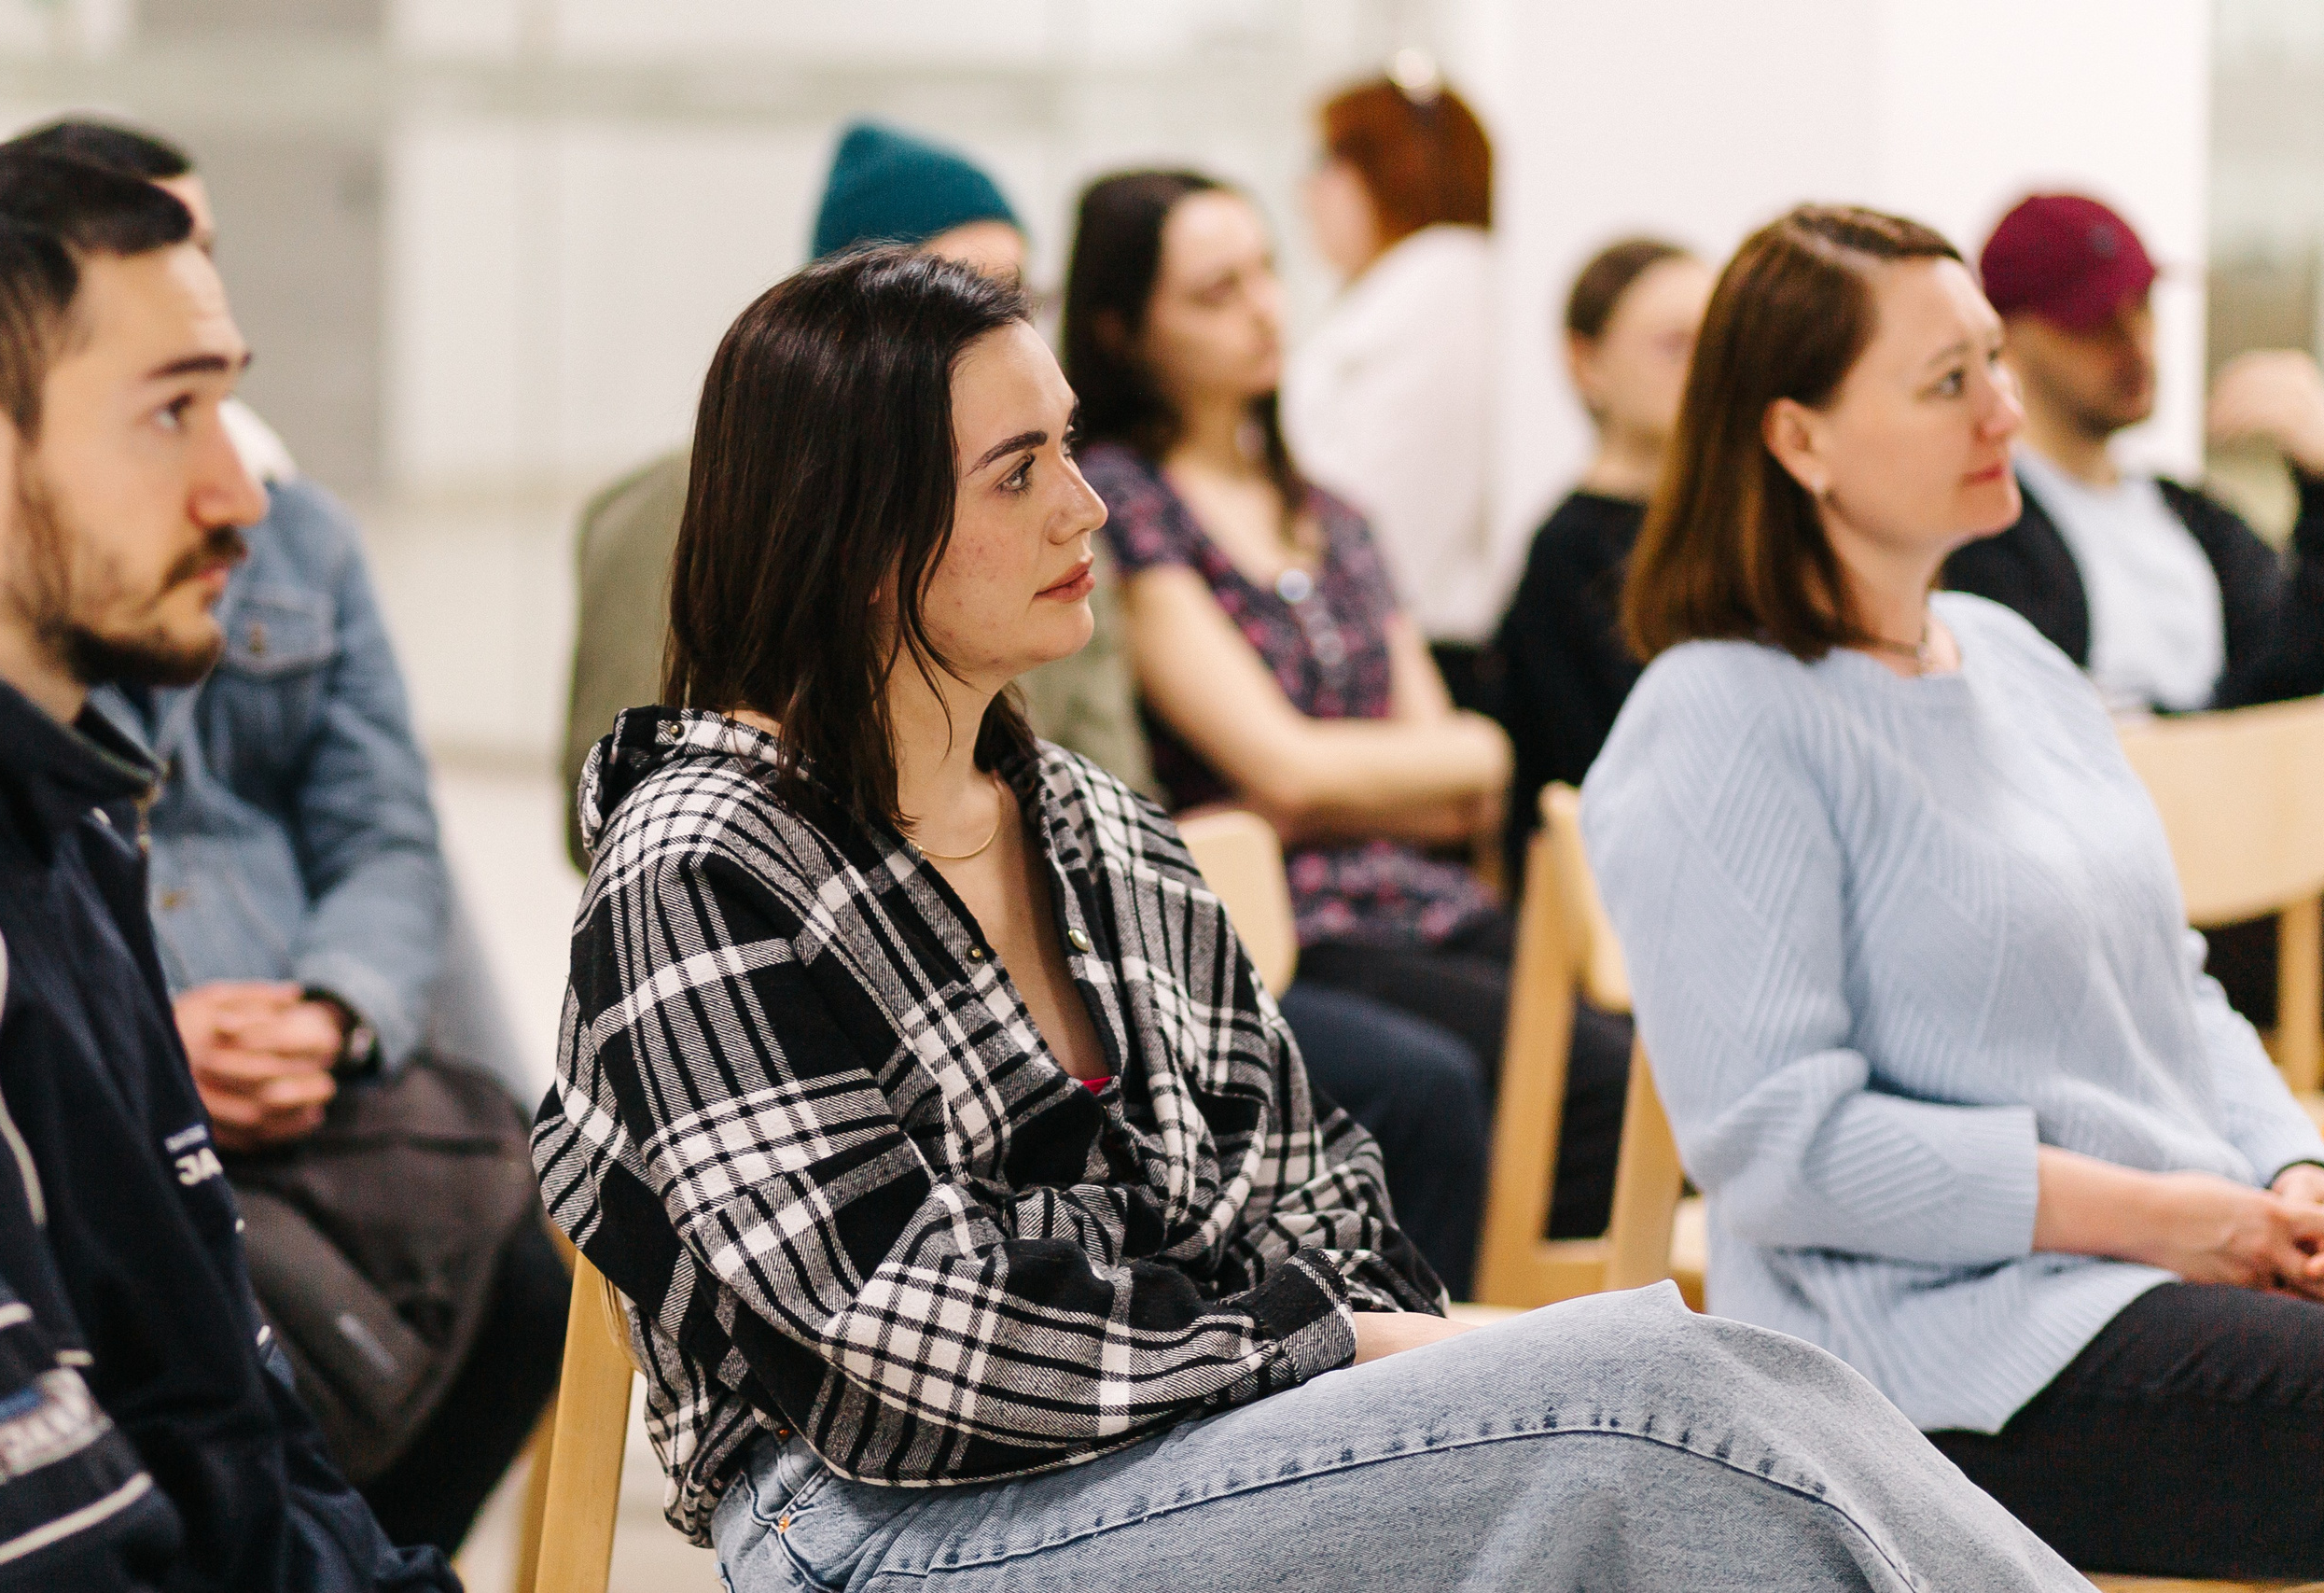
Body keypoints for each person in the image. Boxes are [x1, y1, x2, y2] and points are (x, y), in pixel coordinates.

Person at [535, 242, 2092, 1593]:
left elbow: (1319, 1190)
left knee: (1726, 1378)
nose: (1088, 506)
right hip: (884, 1527)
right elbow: (910, 1334)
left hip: (1182, 1442)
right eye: (1019, 472)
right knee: (1642, 1418)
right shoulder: (702, 861)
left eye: (1069, 447)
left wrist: (1370, 1360)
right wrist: (1328, 1347)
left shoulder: (1091, 827)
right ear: (861, 542)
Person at [1584, 203, 2324, 1580]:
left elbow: (2174, 989)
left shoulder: (2011, 657)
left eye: (1994, 360)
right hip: (1930, 1362)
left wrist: (2290, 1171)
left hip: (2165, 1264)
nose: (2004, 409)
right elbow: (1784, 1149)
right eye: (1947, 382)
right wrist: (2180, 1218)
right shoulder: (1723, 715)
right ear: (1798, 438)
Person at [7, 119, 567, 1557]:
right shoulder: (19, 594)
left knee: (533, 1245)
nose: (189, 286)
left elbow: (387, 831)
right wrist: (158, 1040)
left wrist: (333, 1012)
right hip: (142, 1057)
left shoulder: (299, 537)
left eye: (198, 248)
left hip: (308, 1056)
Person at [0, 141, 454, 1590]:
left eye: (226, 399)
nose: (241, 492)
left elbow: (244, 1441)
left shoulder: (71, 828)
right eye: (173, 411)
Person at [1065, 167, 1631, 1272]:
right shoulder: (1122, 503)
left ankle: (1553, 1323)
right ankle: (1496, 1336)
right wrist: (1379, 772)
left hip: (1425, 900)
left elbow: (1474, 772)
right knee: (1560, 1076)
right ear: (1125, 330)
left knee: (1652, 1048)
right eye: (1215, 293)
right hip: (1295, 919)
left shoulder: (1333, 513)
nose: (1263, 310)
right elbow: (1285, 771)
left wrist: (1365, 773)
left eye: (1266, 273)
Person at [557, 119, 1152, 870]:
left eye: (1017, 294)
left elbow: (1118, 788)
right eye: (952, 293)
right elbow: (617, 801)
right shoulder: (675, 508)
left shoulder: (1060, 502)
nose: (998, 327)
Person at [1945, 192, 2324, 1031]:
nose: (2136, 343)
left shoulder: (2190, 517)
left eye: (2143, 307)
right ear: (2010, 337)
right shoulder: (1979, 535)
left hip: (2252, 878)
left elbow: (2292, 683)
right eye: (2095, 322)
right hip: (2101, 913)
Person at [1283, 63, 1506, 711]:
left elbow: (1378, 515)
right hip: (1389, 638)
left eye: (1324, 162)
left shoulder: (1441, 286)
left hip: (1406, 650)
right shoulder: (1411, 291)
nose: (1305, 190)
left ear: (1394, 169)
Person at [1490, 237, 1708, 880]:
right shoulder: (1569, 552)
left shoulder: (1741, 531)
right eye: (1674, 345)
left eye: (1719, 345)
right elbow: (1614, 769)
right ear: (1586, 363)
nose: (1705, 371)